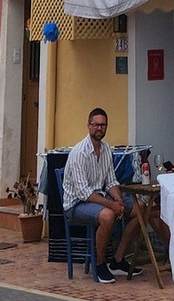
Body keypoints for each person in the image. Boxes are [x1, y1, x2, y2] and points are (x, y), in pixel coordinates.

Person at [59, 107, 139, 285]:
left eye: (103, 125)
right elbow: (83, 192)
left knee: (140, 209)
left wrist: (118, 200)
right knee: (108, 215)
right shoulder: (79, 153)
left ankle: (118, 260)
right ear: (88, 126)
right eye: (96, 125)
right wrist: (112, 205)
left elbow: (110, 181)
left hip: (98, 198)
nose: (99, 128)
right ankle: (100, 264)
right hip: (76, 205)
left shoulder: (106, 149)